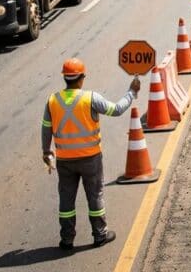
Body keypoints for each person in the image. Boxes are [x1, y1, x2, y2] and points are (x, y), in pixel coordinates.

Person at [41, 58, 140, 250]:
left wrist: (46, 151)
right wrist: (131, 92)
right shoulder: (90, 98)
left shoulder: (52, 100)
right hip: (90, 159)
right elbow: (116, 110)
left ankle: (67, 239)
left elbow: (46, 128)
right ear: (82, 78)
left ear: (65, 78)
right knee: (95, 196)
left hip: (65, 161)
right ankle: (100, 235)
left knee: (66, 200)